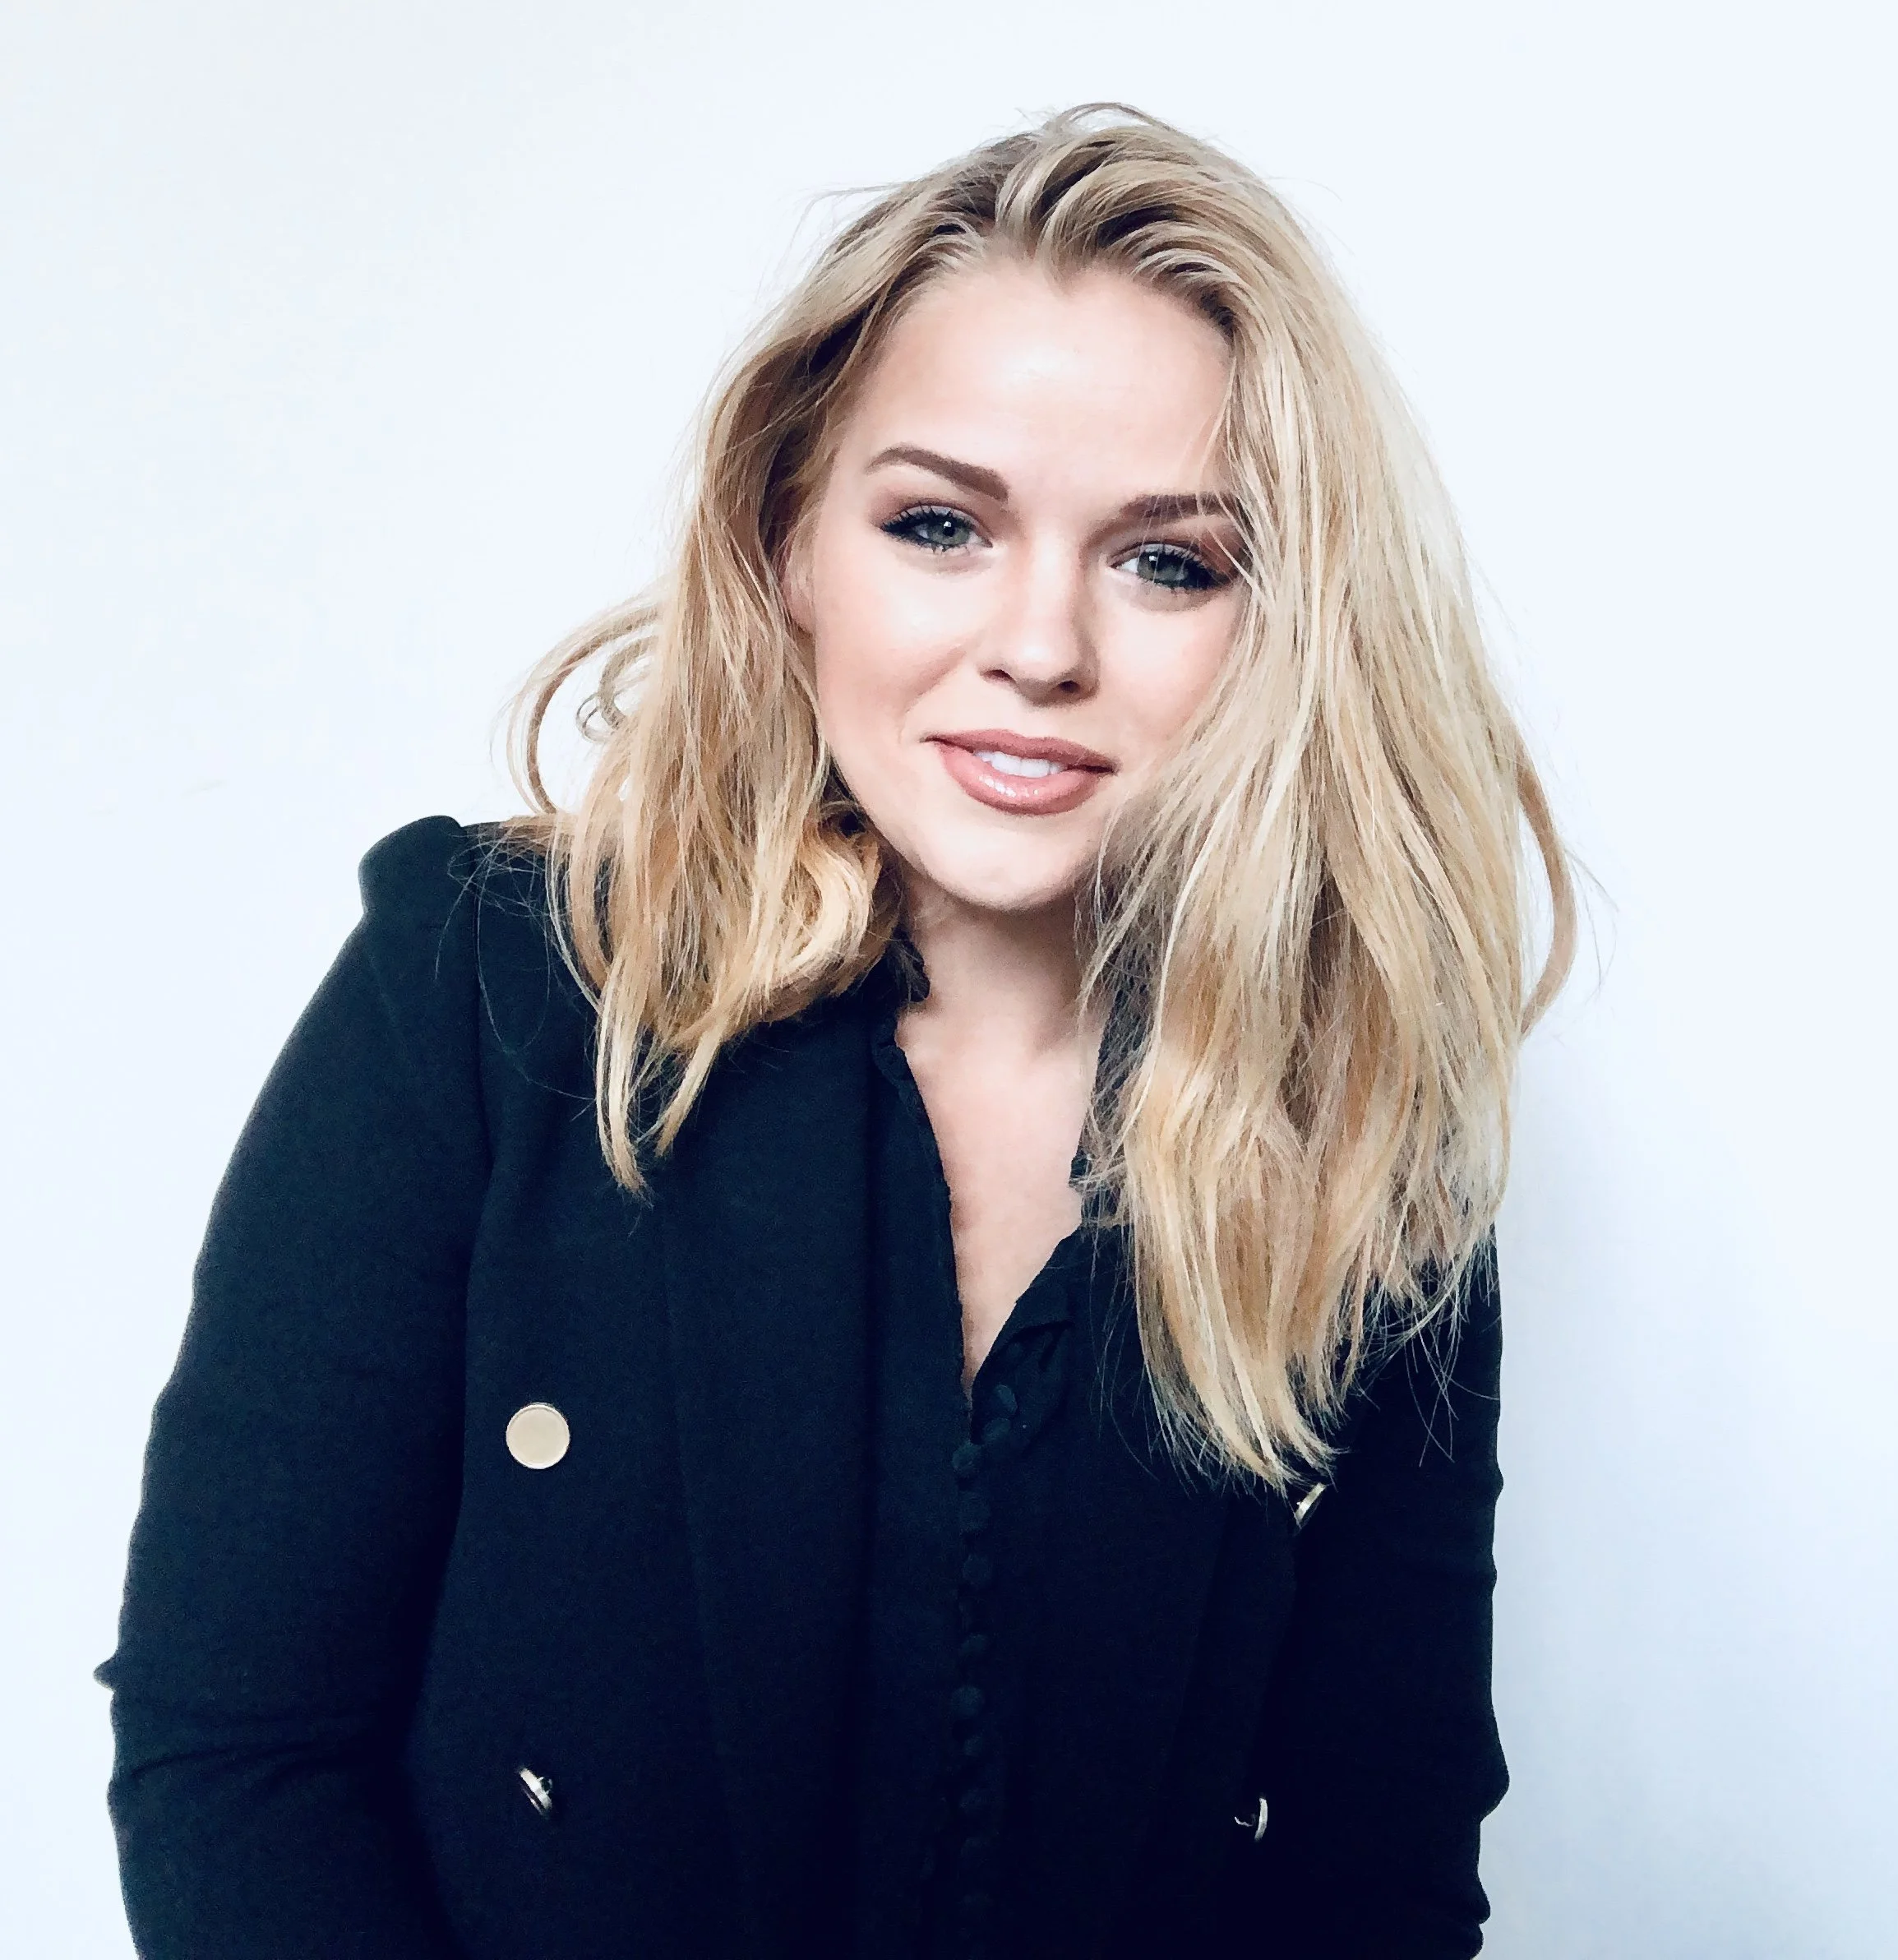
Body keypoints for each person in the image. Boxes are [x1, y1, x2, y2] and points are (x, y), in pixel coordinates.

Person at [101, 107, 1574, 1959]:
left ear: (1279, 625)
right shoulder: (481, 996)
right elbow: (241, 1755)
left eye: (1169, 562)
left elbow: (1377, 1858)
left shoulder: (1357, 1136)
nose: (1039, 643)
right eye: (939, 523)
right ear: (789, 537)